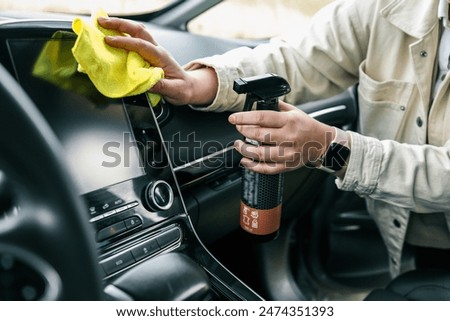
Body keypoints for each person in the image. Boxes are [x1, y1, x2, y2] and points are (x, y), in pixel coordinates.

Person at [97, 0, 450, 278]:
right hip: (403, 238)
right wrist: (199, 84)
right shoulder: (389, 5)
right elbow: (300, 59)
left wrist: (328, 148)